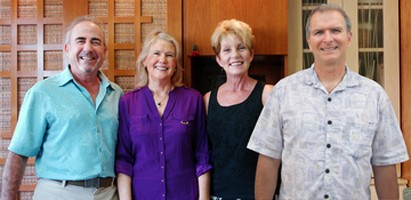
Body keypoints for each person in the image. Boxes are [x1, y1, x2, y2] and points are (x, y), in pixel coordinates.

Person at [247, 3, 409, 200]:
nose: (328, 38)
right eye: (318, 32)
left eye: (335, 30)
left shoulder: (374, 96)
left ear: (349, 37)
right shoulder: (284, 91)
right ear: (309, 41)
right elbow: (269, 158)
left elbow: (384, 163)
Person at [0, 16, 123, 200]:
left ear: (104, 51)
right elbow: (19, 153)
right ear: (67, 49)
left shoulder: (118, 94)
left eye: (95, 42)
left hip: (108, 193)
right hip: (58, 193)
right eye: (80, 41)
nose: (88, 48)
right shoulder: (43, 93)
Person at [115, 30, 212, 200]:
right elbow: (124, 160)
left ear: (175, 64)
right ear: (145, 60)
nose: (163, 60)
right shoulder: (127, 102)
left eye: (169, 55)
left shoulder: (193, 99)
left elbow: (202, 156)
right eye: (156, 54)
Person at [203, 19, 274, 199]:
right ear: (219, 59)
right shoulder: (207, 100)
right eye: (227, 50)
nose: (235, 55)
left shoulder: (268, 95)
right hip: (216, 195)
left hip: (257, 195)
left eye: (241, 48)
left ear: (251, 54)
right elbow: (203, 154)